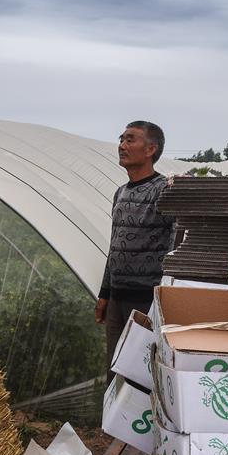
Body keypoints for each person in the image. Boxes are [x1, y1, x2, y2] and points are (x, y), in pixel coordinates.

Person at [96, 120, 174, 385]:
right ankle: (111, 426)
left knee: (141, 374)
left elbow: (175, 245)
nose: (122, 145)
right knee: (114, 370)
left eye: (130, 140)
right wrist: (105, 293)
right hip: (118, 299)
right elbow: (115, 244)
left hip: (146, 301)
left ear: (150, 149)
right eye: (121, 139)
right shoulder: (121, 193)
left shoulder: (164, 191)